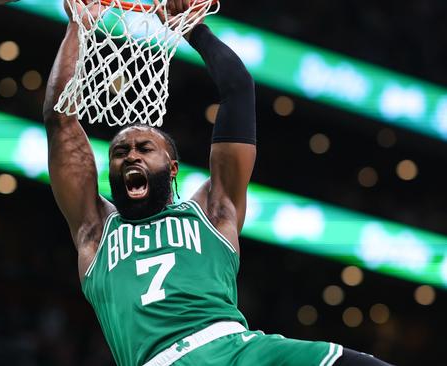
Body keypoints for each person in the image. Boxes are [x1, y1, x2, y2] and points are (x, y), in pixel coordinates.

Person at [43, 1, 393, 365]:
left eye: (145, 148)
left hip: (241, 349)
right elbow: (60, 121)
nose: (131, 155)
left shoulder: (211, 212)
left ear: (173, 167)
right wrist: (77, 28)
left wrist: (194, 29)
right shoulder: (96, 231)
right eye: (120, 152)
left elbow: (239, 89)